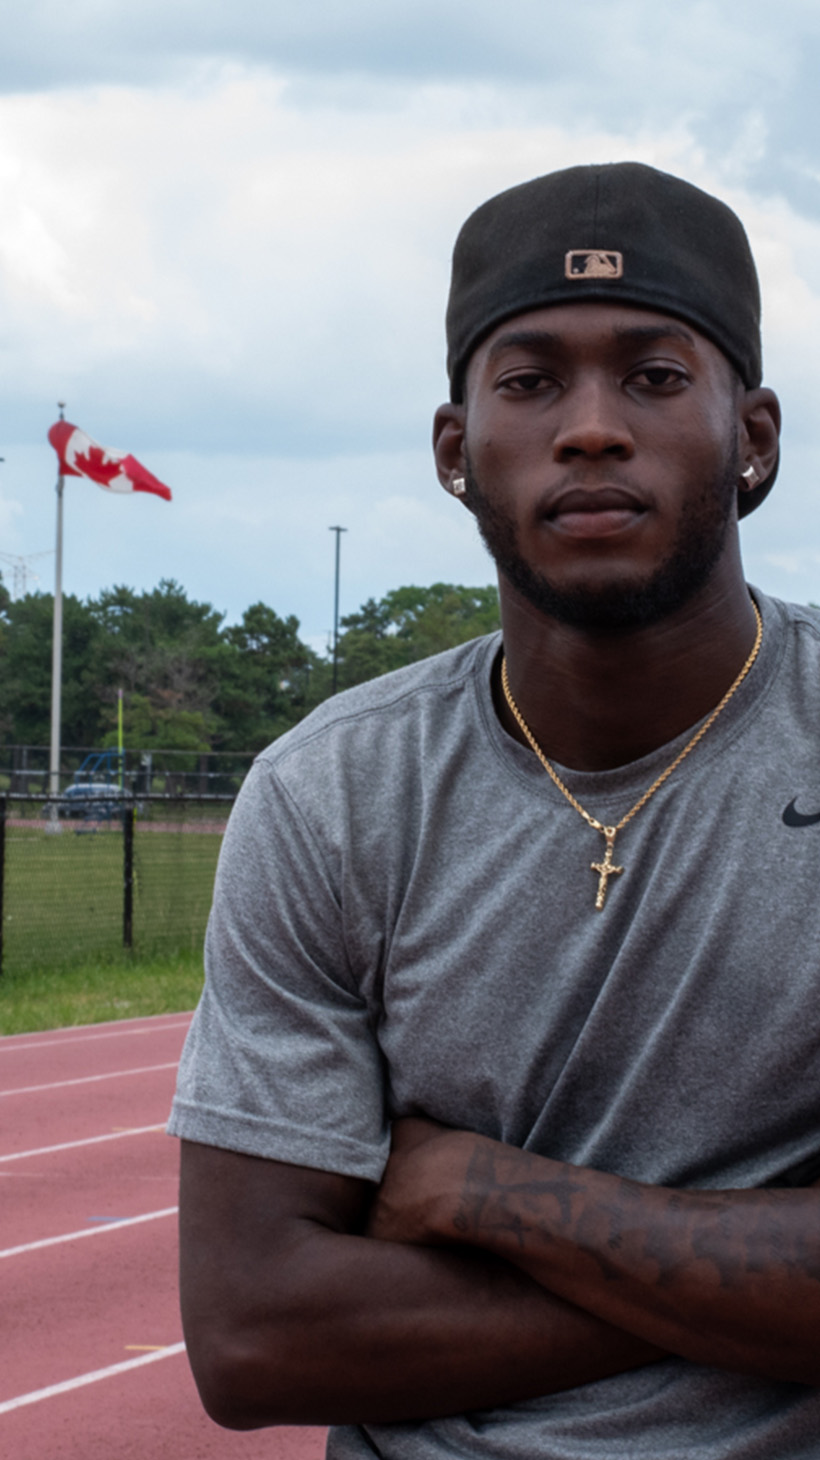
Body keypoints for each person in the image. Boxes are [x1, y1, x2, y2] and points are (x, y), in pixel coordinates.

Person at [168, 162, 820, 1458]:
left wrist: (483, 1190)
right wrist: (753, 1289)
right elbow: (254, 1337)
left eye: (654, 376)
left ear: (752, 436)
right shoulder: (333, 793)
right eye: (529, 383)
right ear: (456, 453)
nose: (592, 428)